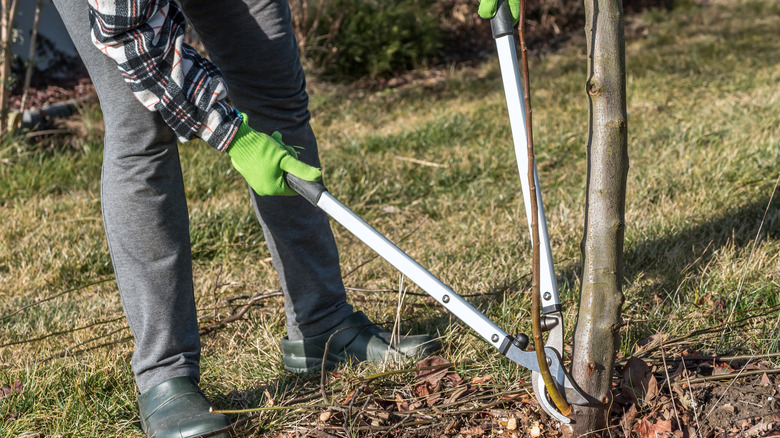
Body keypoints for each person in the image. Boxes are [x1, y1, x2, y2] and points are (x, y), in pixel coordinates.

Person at [50, 1, 450, 436]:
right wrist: (235, 137)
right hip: (123, 17)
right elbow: (132, 38)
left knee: (273, 84)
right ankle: (165, 375)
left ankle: (324, 325)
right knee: (142, 124)